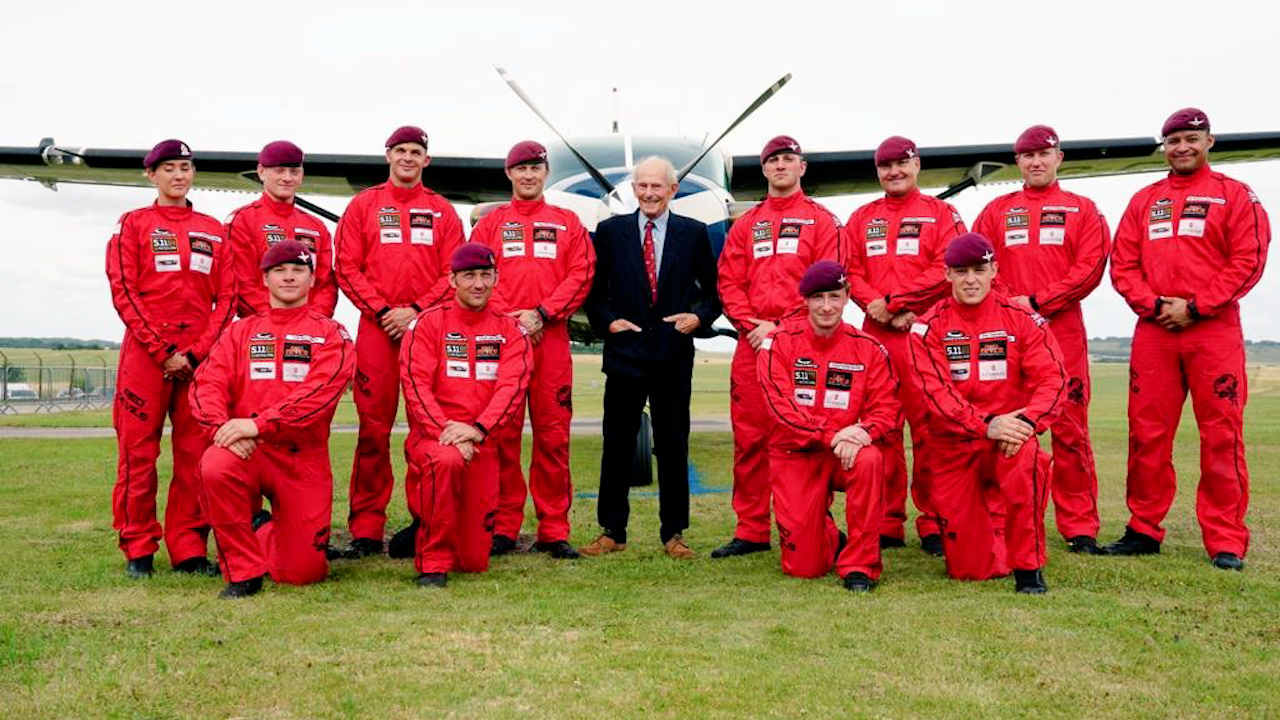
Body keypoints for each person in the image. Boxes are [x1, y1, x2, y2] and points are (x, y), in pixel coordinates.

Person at [1106, 108, 1271, 570]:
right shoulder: (1144, 200)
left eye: (1191, 138)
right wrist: (1155, 305)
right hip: (1155, 331)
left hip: (1213, 331)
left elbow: (1248, 259)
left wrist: (1196, 306)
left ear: (1209, 142)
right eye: (1174, 140)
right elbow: (1123, 264)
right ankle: (1143, 528)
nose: (1182, 147)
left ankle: (1225, 539)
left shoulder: (1235, 196)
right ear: (1165, 147)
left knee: (1221, 435)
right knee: (1146, 434)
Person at [973, 125, 1112, 554]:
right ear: (1017, 162)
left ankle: (1080, 526)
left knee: (1070, 430)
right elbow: (977, 264)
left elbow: (1090, 267)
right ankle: (997, 521)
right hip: (1007, 333)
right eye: (1026, 155)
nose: (1035, 161)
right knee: (1005, 427)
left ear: (1059, 158)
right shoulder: (997, 211)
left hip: (1061, 330)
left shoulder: (1082, 209)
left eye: (1043, 154)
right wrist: (1010, 308)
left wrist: (1036, 301)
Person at [191, 240, 355, 598]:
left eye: (298, 271)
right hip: (249, 449)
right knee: (215, 465)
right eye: (280, 271)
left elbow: (320, 394)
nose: (289, 277)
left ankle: (261, 528)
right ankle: (242, 571)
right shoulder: (239, 332)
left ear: (312, 280)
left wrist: (259, 423)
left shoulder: (332, 334)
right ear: (264, 279)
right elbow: (208, 384)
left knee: (302, 573)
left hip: (301, 457)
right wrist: (223, 428)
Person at [908, 233, 1067, 593]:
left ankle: (1029, 567)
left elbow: (1053, 378)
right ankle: (992, 526)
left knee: (1027, 456)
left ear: (994, 270)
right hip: (956, 447)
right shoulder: (927, 327)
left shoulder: (1021, 317)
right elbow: (936, 396)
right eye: (961, 271)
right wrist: (986, 424)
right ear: (946, 275)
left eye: (979, 270)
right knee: (971, 569)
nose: (970, 280)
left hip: (1008, 440)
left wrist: (1027, 423)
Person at [579, 156, 722, 559]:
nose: (649, 193)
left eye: (657, 186)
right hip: (625, 353)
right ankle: (612, 531)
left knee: (674, 444)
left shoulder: (693, 233)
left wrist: (700, 317)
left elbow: (714, 291)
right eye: (642, 186)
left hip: (673, 354)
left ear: (672, 190)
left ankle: (673, 533)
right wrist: (608, 323)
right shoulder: (609, 232)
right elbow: (594, 293)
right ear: (634, 189)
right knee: (617, 444)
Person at [333, 125, 465, 557]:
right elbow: (347, 267)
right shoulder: (364, 206)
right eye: (401, 150)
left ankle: (424, 520)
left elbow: (454, 272)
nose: (408, 158)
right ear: (387, 155)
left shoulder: (443, 211)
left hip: (427, 331)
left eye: (417, 152)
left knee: (429, 428)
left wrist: (415, 311)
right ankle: (367, 528)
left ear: (427, 161)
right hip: (377, 330)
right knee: (373, 431)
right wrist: (382, 311)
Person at [105, 138, 234, 578]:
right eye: (169, 169)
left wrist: (196, 352)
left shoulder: (214, 228)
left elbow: (227, 295)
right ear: (151, 175)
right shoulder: (133, 224)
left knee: (195, 454)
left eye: (185, 167)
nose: (179, 176)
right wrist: (162, 350)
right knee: (137, 455)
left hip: (199, 356)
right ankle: (138, 547)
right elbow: (123, 290)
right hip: (147, 354)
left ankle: (189, 548)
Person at [714, 135, 842, 558]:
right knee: (749, 439)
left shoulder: (821, 221)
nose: (781, 166)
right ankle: (751, 529)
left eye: (789, 159)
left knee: (806, 435)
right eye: (773, 161)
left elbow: (828, 279)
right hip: (752, 345)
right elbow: (729, 280)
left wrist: (782, 326)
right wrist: (753, 325)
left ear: (802, 167)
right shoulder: (747, 224)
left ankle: (809, 521)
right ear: (764, 170)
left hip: (803, 343)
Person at [468, 140, 595, 560]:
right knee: (501, 435)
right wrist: (513, 320)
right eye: (520, 169)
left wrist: (543, 313)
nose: (528, 176)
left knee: (553, 438)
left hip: (551, 340)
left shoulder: (566, 222)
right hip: (501, 341)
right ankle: (503, 525)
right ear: (509, 174)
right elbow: (476, 276)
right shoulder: (490, 224)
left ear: (546, 174)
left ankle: (554, 529)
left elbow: (581, 272)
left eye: (536, 169)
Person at [843, 136, 966, 555]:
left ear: (917, 166)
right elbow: (851, 270)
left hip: (926, 333)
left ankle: (934, 521)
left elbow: (948, 265)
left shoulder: (941, 213)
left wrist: (898, 303)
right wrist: (876, 307)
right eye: (885, 166)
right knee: (882, 429)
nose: (894, 172)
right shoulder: (862, 217)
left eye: (902, 164)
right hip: (875, 336)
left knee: (933, 430)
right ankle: (886, 521)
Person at [756, 261, 899, 590]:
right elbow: (781, 409)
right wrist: (832, 434)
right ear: (804, 299)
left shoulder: (868, 348)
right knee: (804, 568)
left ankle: (861, 564)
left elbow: (887, 407)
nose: (826, 306)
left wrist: (865, 432)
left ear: (847, 296)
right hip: (797, 453)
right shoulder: (777, 344)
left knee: (870, 459)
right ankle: (827, 533)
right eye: (818, 297)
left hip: (843, 453)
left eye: (834, 297)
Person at [399, 243, 532, 587]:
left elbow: (512, 387)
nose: (477, 284)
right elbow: (415, 385)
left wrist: (477, 430)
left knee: (473, 562)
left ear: (496, 278)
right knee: (446, 461)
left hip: (480, 443)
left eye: (485, 275)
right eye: (469, 276)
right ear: (452, 279)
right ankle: (432, 563)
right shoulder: (427, 324)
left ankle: (432, 525)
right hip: (436, 440)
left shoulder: (510, 330)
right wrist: (448, 433)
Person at [226, 140, 338, 318]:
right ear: (261, 172)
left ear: (301, 175)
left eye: (294, 171)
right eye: (279, 171)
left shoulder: (316, 227)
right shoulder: (242, 220)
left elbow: (325, 284)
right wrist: (277, 321)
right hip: (261, 331)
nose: (287, 178)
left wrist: (313, 322)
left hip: (309, 332)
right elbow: (241, 283)